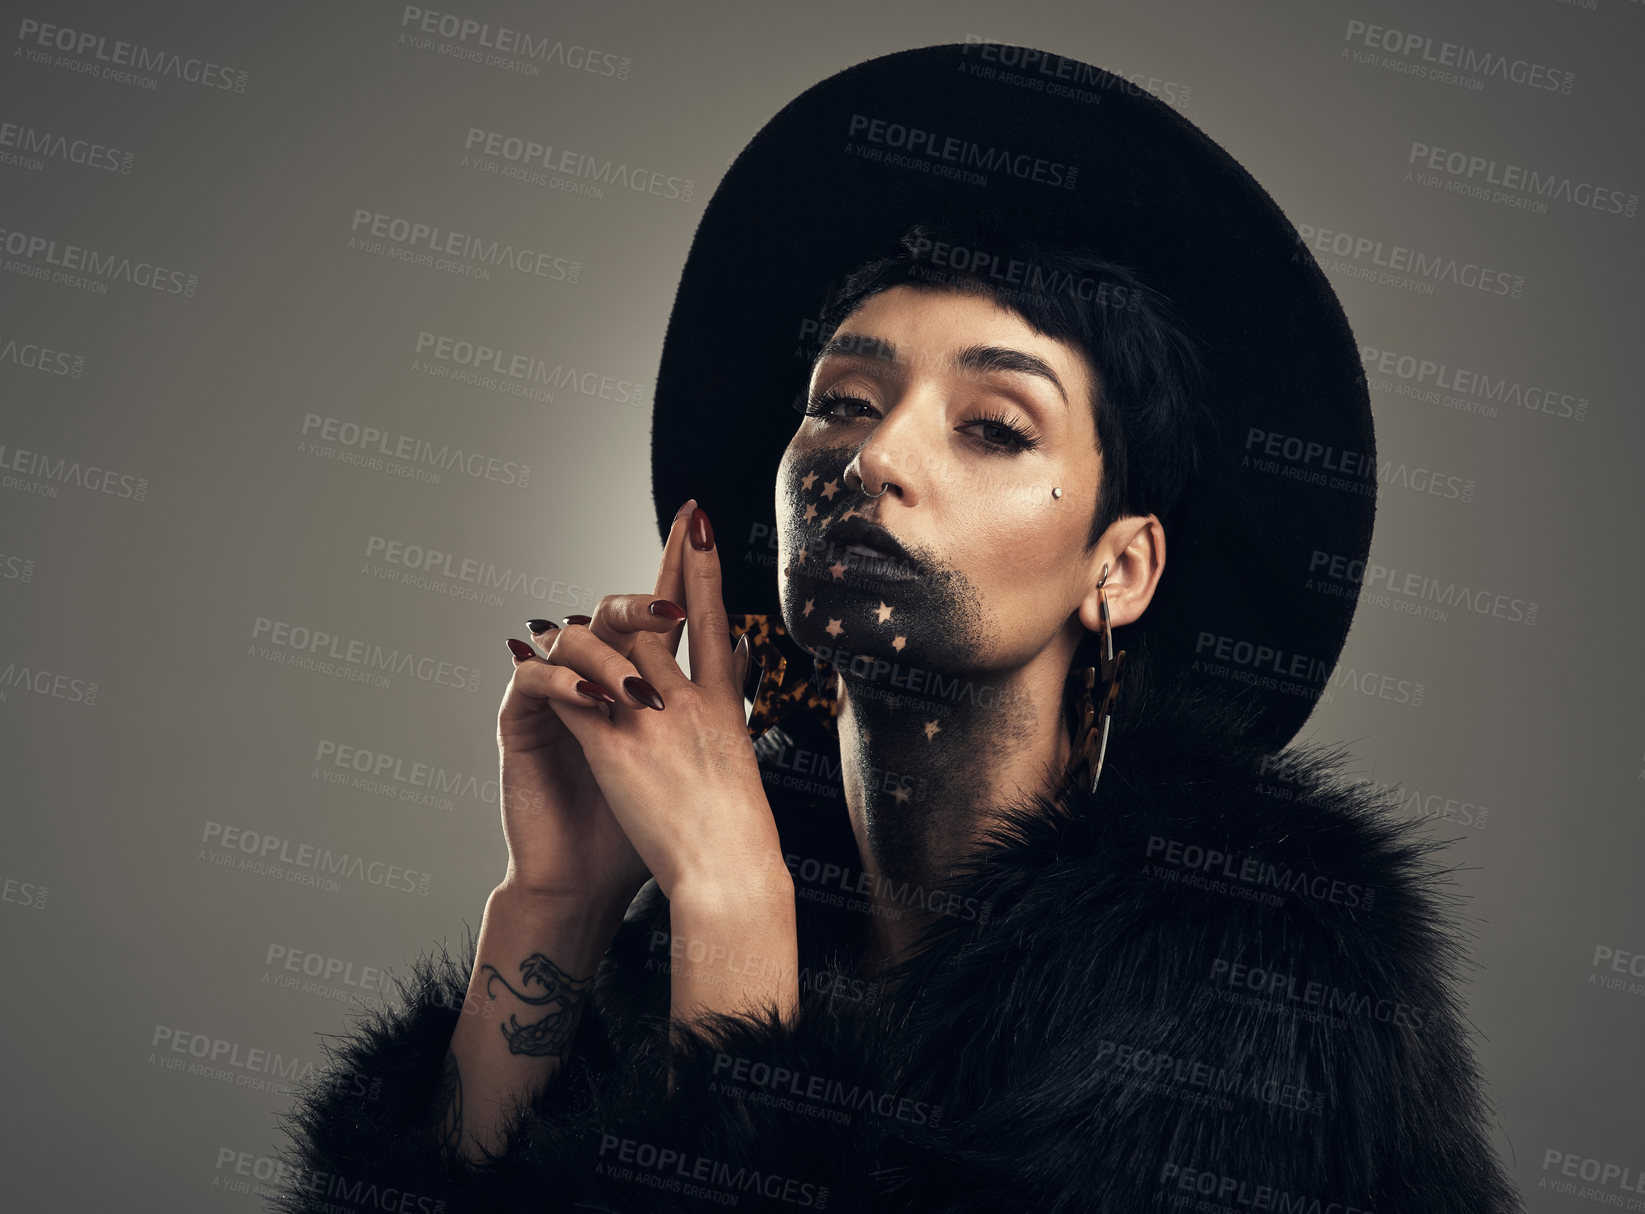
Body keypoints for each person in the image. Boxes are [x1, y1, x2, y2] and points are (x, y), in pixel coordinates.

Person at [272, 44, 1523, 1213]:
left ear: (1121, 564)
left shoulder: (1262, 1000)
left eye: (993, 425)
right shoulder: (698, 911)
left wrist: (736, 917)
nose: (870, 455)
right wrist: (555, 902)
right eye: (842, 400)